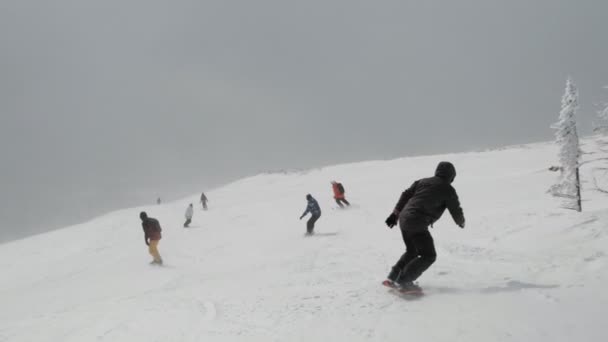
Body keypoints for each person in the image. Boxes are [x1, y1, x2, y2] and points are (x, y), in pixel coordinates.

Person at [384, 161, 465, 291]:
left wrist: (395, 214)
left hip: (404, 219)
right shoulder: (448, 189)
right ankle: (404, 282)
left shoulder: (422, 182)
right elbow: (455, 208)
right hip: (417, 221)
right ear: (451, 176)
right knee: (429, 255)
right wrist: (460, 221)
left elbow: (405, 194)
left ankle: (393, 277)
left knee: (412, 251)